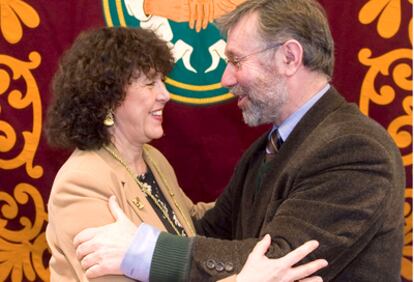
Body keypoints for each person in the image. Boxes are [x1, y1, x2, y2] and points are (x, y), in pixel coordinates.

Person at [74, 0, 406, 281]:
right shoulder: (267, 148)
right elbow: (209, 231)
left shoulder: (355, 149)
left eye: (235, 60)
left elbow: (277, 261)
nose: (225, 79)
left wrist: (143, 251)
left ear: (289, 57)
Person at [45, 26, 327, 281]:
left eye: (162, 81)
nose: (165, 94)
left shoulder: (151, 159)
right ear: (107, 96)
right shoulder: (81, 184)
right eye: (150, 83)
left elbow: (189, 224)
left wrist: (279, 195)